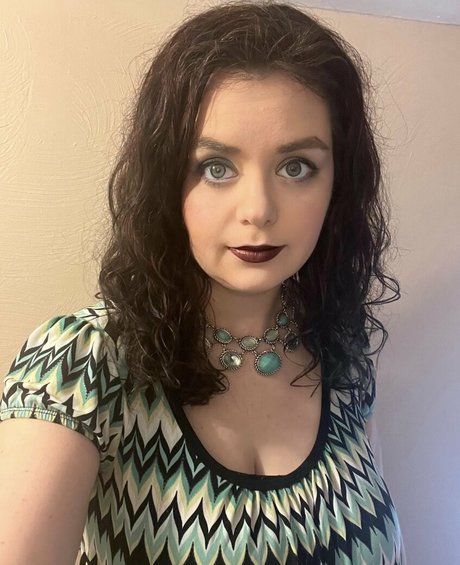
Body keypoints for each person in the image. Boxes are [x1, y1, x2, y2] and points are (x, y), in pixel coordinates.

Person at [0, 2, 406, 563]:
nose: (259, 209)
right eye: (217, 168)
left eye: (296, 167)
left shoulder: (345, 358)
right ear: (168, 181)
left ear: (339, 183)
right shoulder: (83, 362)